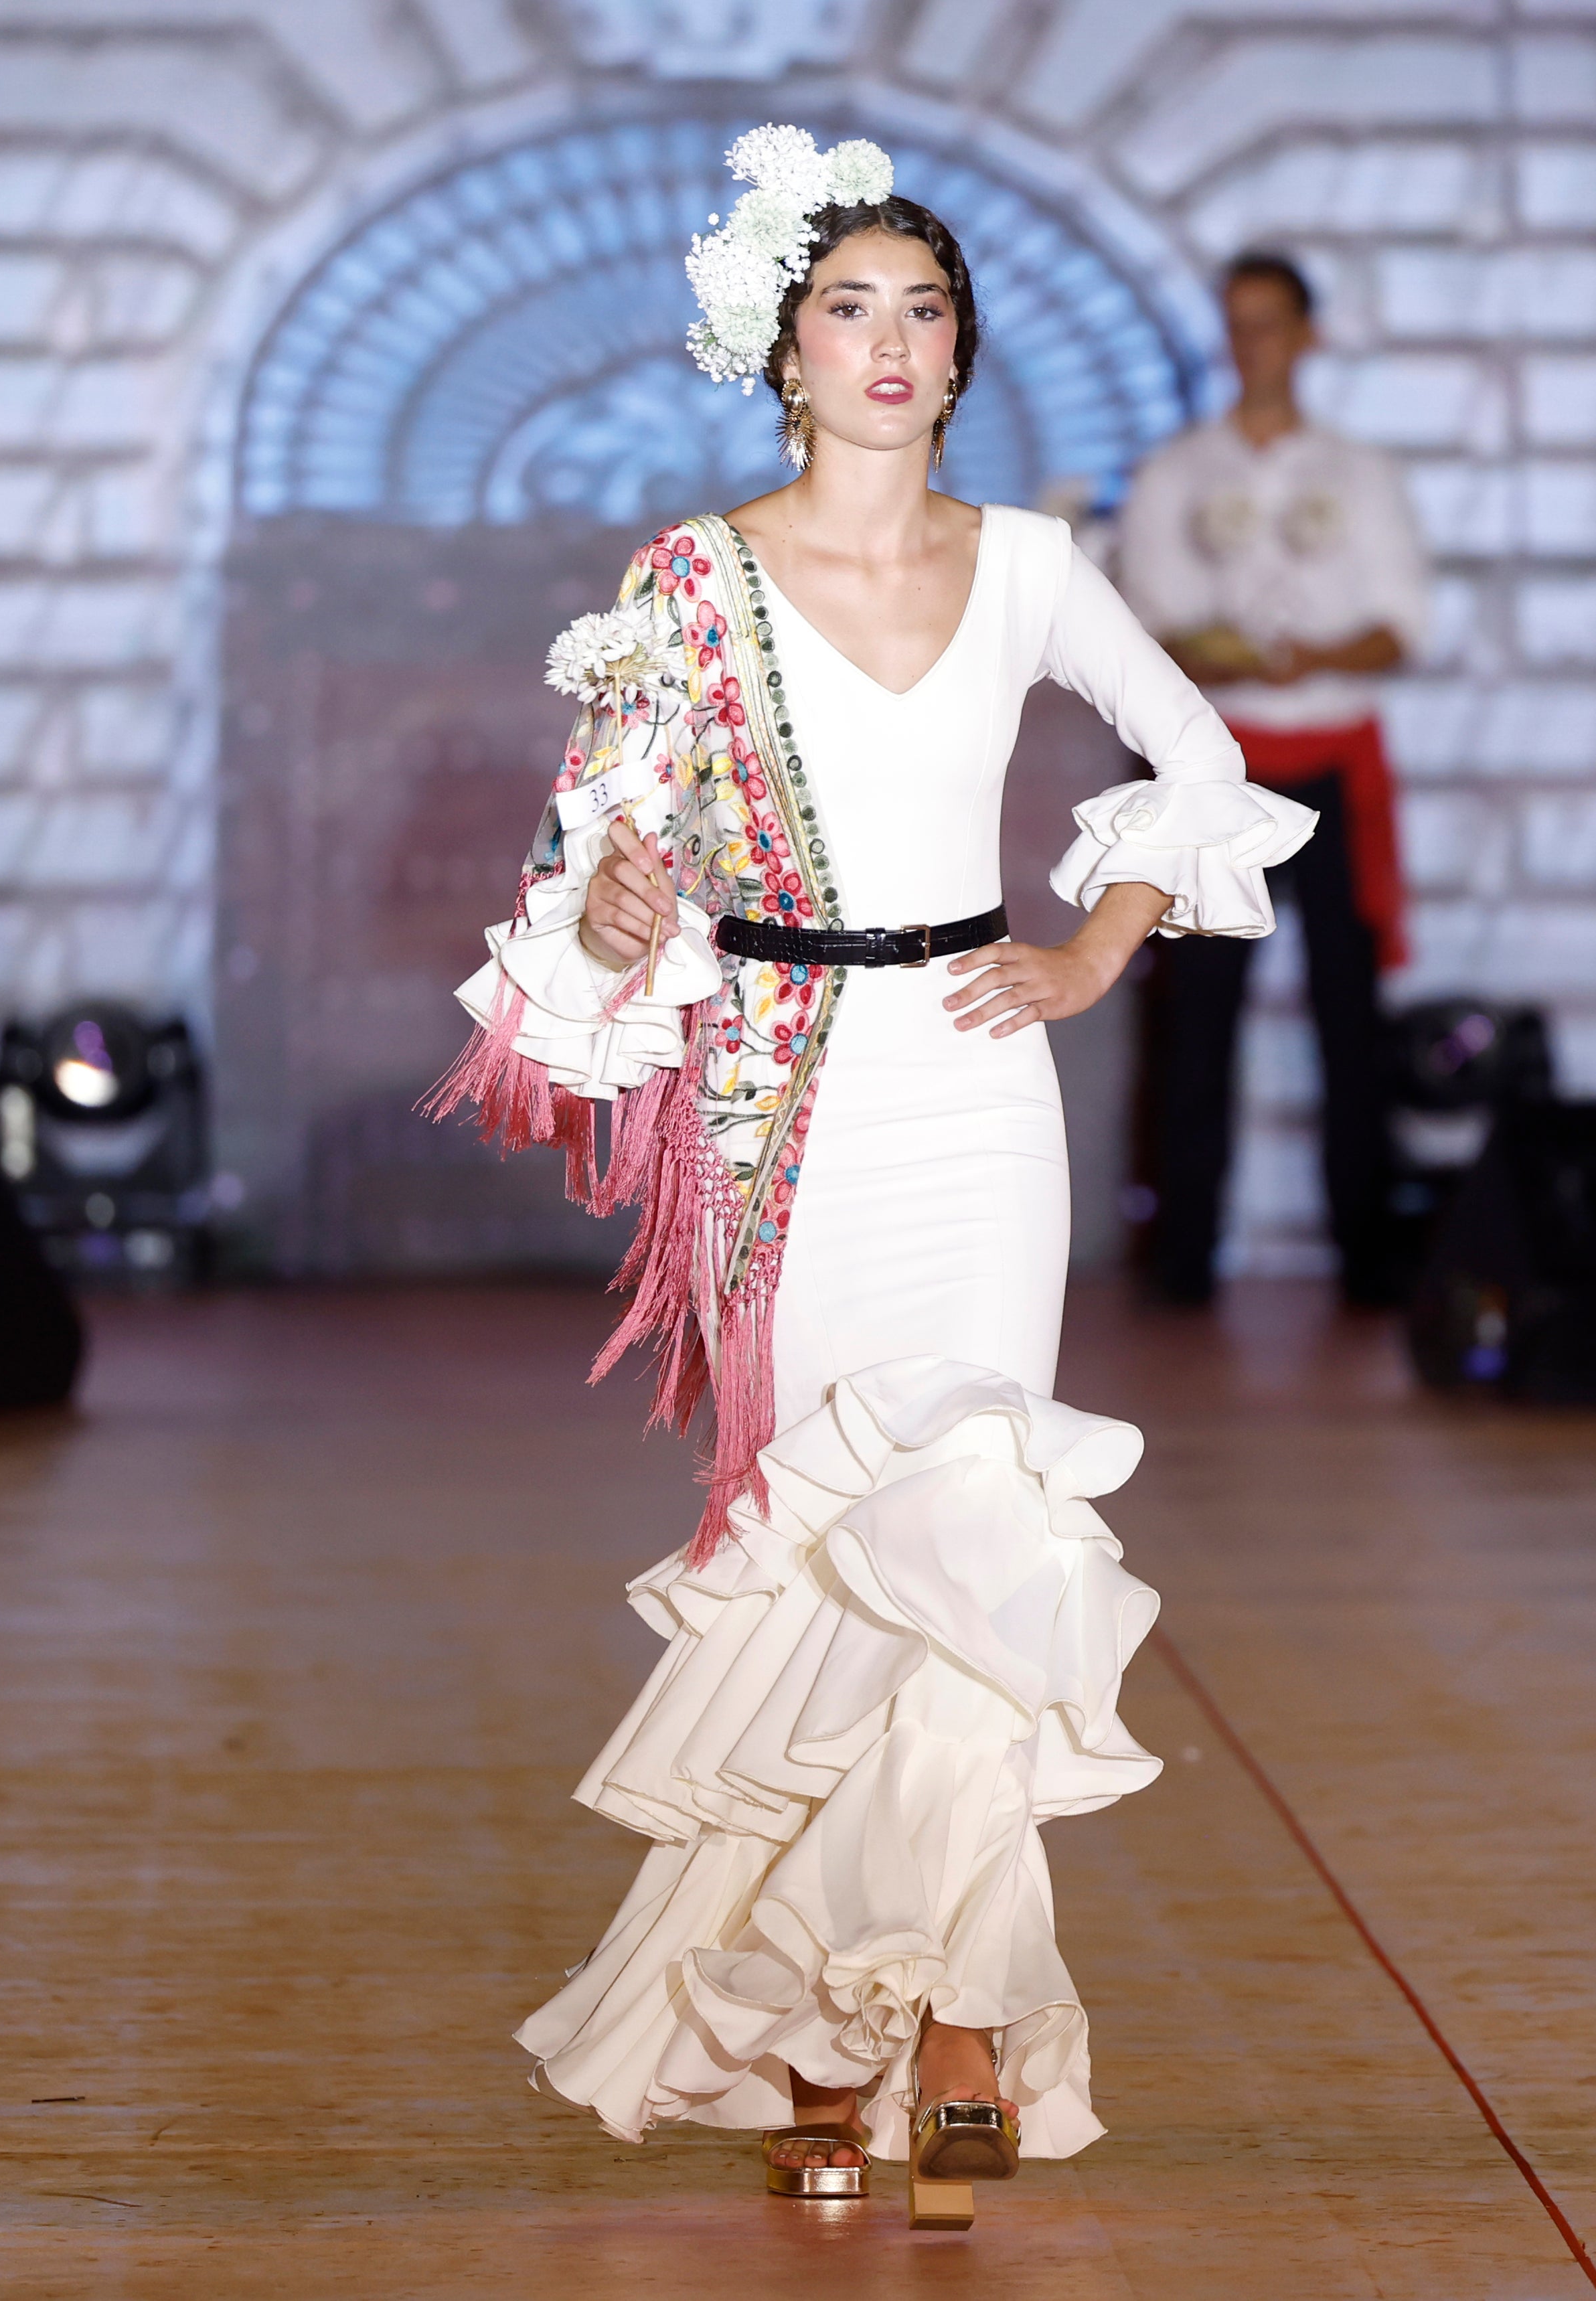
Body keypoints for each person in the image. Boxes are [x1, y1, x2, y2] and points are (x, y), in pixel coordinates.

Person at [431, 129, 1310, 2223]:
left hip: (978, 1082)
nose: (894, 342)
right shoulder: (690, 584)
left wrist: (1096, 943)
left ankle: (948, 2022)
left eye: (926, 308)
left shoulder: (1024, 560)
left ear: (960, 350)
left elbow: (1196, 761)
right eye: (853, 308)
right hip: (785, 1104)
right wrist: (629, 909)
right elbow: (588, 876)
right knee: (841, 1568)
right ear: (783, 352)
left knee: (979, 1537)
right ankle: (821, 2029)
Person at [1115, 251, 1429, 1307]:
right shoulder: (1176, 472)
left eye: (1270, 324)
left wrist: (1318, 657)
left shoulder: (1358, 472)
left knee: (1351, 1015)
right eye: (1235, 325)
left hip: (1332, 757)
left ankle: (1369, 1256)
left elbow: (1402, 627)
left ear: (1307, 336)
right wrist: (1233, 659)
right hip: (1221, 768)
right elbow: (1147, 632)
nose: (1253, 345)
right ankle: (1183, 1257)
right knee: (1198, 1011)